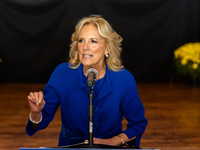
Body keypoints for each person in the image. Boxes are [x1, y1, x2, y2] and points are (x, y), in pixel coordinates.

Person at [26, 15, 148, 148]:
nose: (85, 47)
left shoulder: (124, 79)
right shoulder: (62, 74)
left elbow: (138, 124)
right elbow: (41, 120)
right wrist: (36, 113)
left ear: (107, 48)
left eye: (93, 41)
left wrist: (117, 140)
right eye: (81, 40)